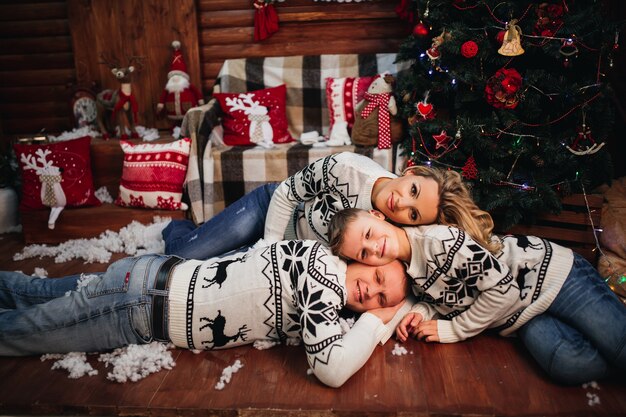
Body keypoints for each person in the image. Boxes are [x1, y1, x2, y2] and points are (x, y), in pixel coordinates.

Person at [0, 239, 408, 388]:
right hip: (139, 306)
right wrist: (380, 319)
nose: (370, 291)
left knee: (31, 293)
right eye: (376, 276)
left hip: (147, 278)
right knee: (21, 332)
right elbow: (332, 370)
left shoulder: (312, 257)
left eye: (379, 298)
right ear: (361, 256)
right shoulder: (323, 278)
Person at [328, 208, 626, 384]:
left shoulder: (438, 241)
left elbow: (503, 289)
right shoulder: (408, 270)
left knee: (620, 344)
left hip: (553, 276)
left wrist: (453, 329)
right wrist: (423, 313)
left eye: (369, 234)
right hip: (523, 315)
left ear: (377, 216)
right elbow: (443, 293)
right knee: (566, 362)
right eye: (363, 254)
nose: (374, 248)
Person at [163, 152, 498, 260]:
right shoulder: (348, 168)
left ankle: (209, 235)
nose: (402, 204)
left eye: (414, 212)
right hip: (272, 207)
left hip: (294, 245)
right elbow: (287, 194)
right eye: (412, 189)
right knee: (180, 257)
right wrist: (268, 252)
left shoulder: (394, 230)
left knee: (209, 271)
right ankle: (178, 226)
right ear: (409, 172)